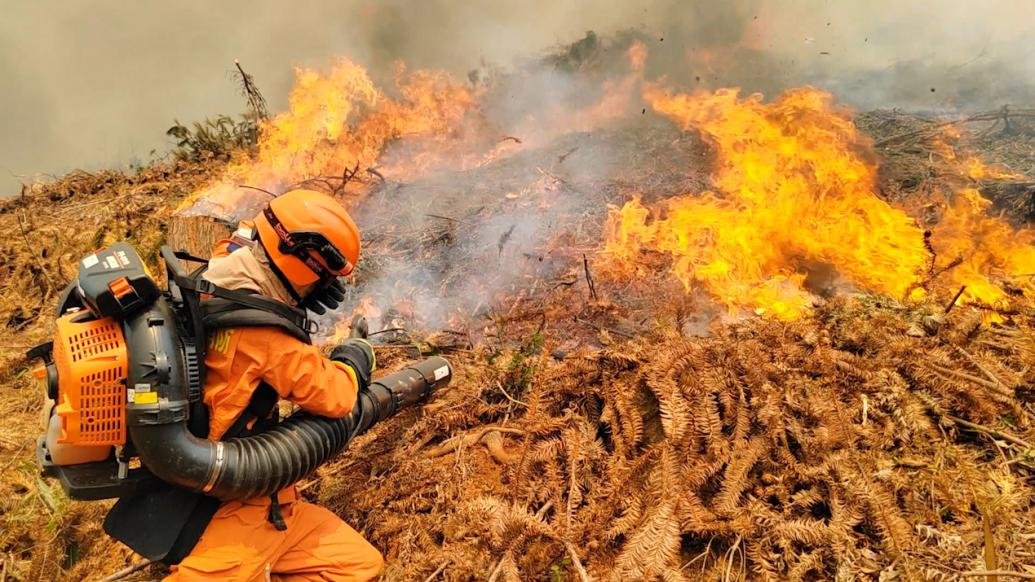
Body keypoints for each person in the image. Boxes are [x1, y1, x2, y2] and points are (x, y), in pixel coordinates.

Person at [164, 189, 384, 581]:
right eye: (324, 276)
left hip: (271, 499)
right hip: (231, 506)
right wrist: (354, 358)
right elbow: (335, 398)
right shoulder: (262, 331)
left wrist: (297, 284)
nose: (325, 287)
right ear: (305, 262)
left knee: (360, 567)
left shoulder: (220, 273)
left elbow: (246, 235)